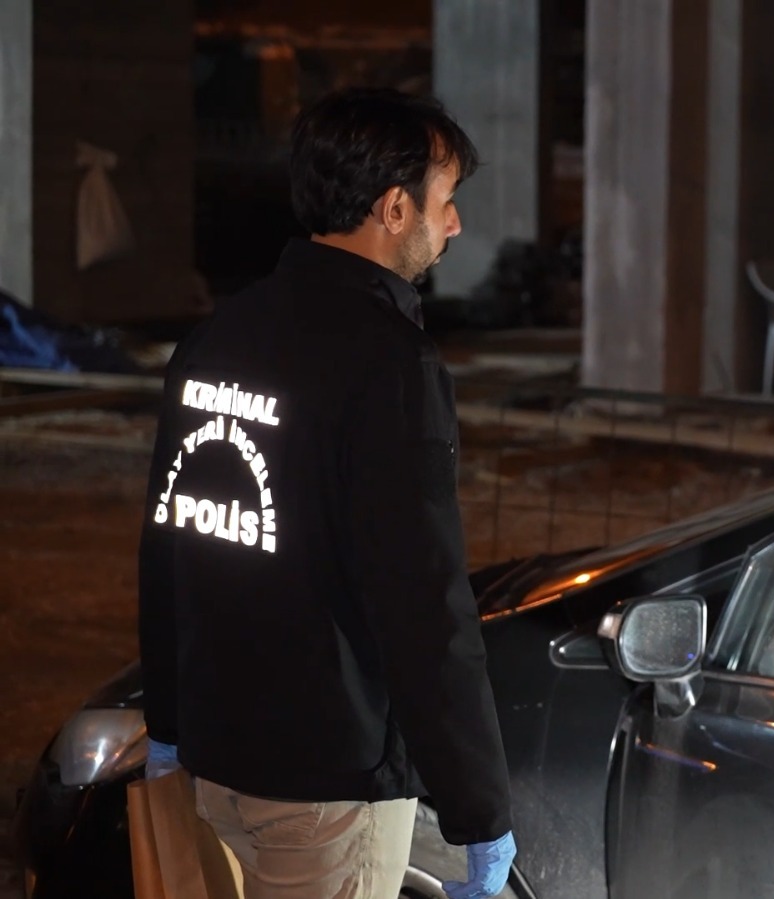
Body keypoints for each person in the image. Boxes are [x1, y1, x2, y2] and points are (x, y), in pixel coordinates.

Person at [137, 88, 516, 899]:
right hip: (327, 788)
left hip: (217, 764)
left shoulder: (220, 334)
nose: (453, 225)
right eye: (445, 202)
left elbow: (171, 543)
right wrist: (479, 810)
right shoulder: (391, 364)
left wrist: (168, 722)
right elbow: (423, 601)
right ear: (394, 209)